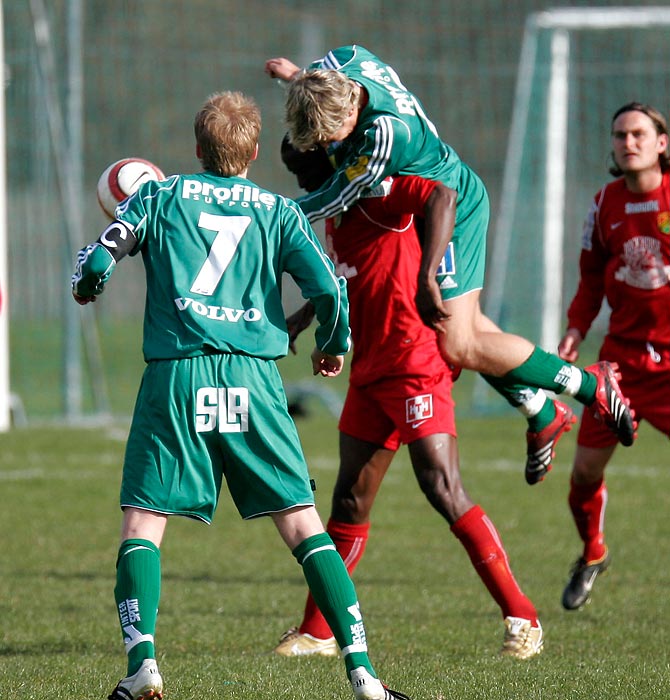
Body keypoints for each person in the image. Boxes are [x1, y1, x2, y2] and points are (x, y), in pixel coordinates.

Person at [71, 91, 411, 700]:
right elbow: (332, 292)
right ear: (255, 152)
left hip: (177, 376)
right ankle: (363, 675)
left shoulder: (159, 194)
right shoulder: (280, 212)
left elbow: (99, 259)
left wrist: (87, 282)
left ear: (197, 150)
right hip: (254, 380)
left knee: (143, 525)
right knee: (305, 527)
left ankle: (142, 665)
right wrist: (332, 345)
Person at [265, 46, 637, 485]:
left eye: (335, 133)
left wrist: (264, 216)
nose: (334, 143)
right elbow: (321, 88)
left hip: (449, 209)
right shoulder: (346, 61)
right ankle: (541, 411)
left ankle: (591, 385)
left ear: (350, 110)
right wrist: (296, 77)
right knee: (469, 330)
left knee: (457, 344)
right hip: (427, 209)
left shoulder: (387, 134)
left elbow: (334, 197)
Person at [273, 137, 543, 660]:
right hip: (372, 370)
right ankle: (318, 631)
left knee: (442, 487)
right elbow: (350, 278)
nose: (306, 185)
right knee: (349, 499)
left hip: (416, 361)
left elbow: (442, 197)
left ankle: (523, 615)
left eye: (308, 171)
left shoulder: (379, 195)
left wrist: (427, 275)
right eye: (297, 174)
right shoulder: (334, 212)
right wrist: (305, 321)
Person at [557, 101, 670, 611]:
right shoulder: (604, 204)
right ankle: (593, 553)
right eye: (620, 134)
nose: (628, 142)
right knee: (583, 475)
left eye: (639, 134)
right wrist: (576, 330)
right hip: (618, 368)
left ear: (661, 143)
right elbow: (589, 281)